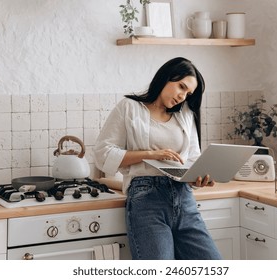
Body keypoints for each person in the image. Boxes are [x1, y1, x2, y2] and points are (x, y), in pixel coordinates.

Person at [92, 57, 222, 260]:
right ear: (166, 77)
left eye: (188, 93)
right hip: (147, 199)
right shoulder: (129, 107)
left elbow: (193, 158)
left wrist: (199, 177)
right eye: (181, 87)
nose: (182, 96)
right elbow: (102, 153)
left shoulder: (186, 114)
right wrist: (150, 155)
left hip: (184, 198)